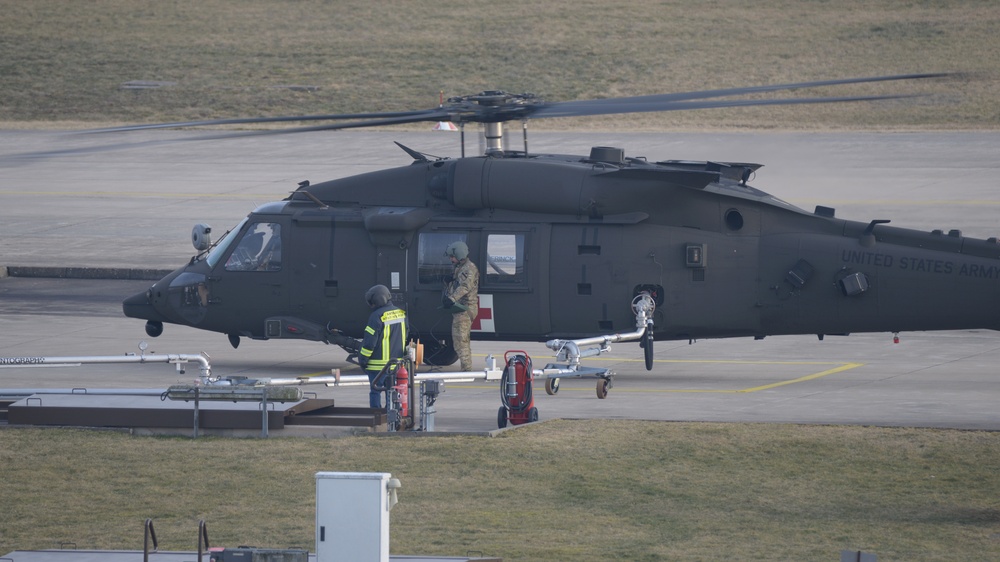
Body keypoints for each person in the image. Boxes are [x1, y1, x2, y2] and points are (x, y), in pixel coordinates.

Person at [358, 284, 407, 409]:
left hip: (378, 365)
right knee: (392, 391)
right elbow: (405, 335)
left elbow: (369, 343)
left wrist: (363, 359)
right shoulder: (401, 314)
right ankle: (392, 415)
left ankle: (376, 417)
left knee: (375, 391)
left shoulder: (376, 316)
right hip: (396, 364)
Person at [442, 241, 479, 371]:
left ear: (459, 254)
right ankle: (466, 369)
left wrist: (451, 299)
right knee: (461, 341)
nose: (451, 259)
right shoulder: (461, 267)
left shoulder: (469, 269)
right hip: (461, 308)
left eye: (452, 256)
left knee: (460, 342)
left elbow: (464, 287)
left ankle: (467, 370)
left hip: (464, 309)